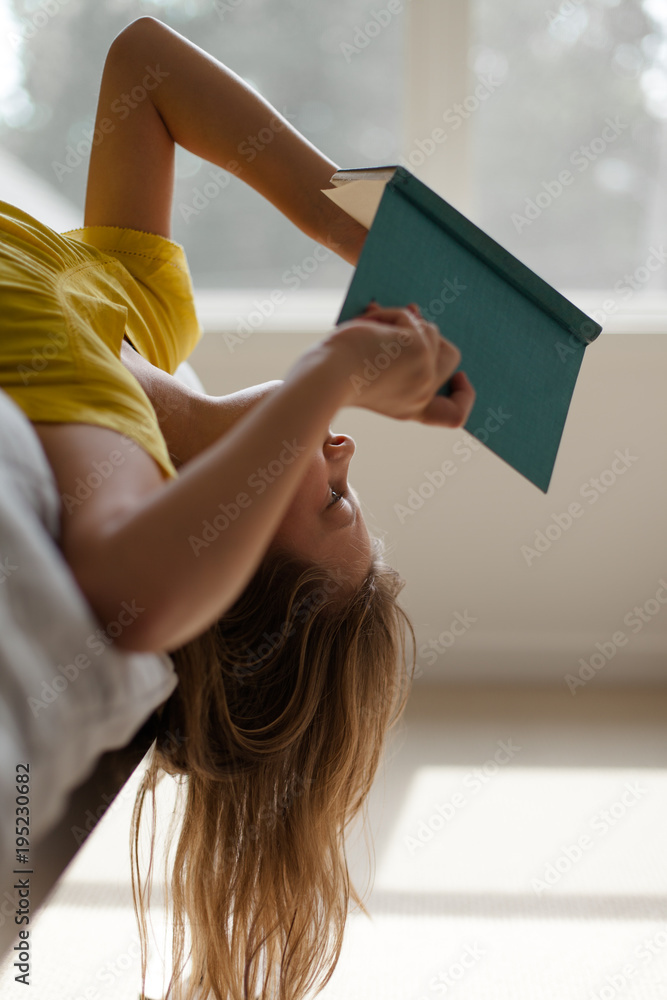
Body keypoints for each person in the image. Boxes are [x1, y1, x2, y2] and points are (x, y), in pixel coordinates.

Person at [0, 16, 475, 1000]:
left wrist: (336, 368)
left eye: (334, 500)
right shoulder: (145, 320)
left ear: (229, 534)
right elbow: (147, 66)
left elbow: (138, 590)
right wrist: (356, 233)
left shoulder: (104, 425)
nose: (341, 446)